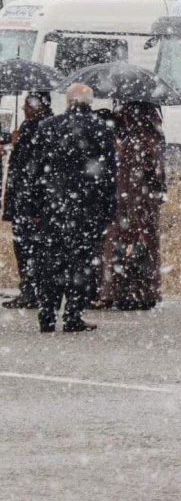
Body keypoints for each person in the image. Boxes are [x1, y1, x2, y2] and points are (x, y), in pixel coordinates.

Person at [26, 83, 116, 332]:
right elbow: (109, 174)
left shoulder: (48, 127)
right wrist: (109, 210)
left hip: (53, 207)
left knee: (50, 263)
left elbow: (35, 171)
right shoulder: (100, 129)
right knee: (81, 263)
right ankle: (73, 315)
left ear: (67, 102)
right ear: (90, 102)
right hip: (87, 208)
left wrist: (34, 207)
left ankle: (47, 314)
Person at [100, 101, 166, 311]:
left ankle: (130, 292)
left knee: (130, 247)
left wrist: (131, 209)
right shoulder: (151, 140)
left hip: (134, 205)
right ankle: (143, 292)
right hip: (142, 205)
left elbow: (134, 181)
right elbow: (157, 180)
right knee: (143, 247)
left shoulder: (137, 143)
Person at [1, 92, 52, 310]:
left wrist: (19, 141)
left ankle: (32, 291)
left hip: (30, 200)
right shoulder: (29, 126)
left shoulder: (41, 128)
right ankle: (31, 289)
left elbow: (36, 168)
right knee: (26, 247)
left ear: (40, 106)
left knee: (30, 248)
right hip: (23, 198)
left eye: (28, 105)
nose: (24, 109)